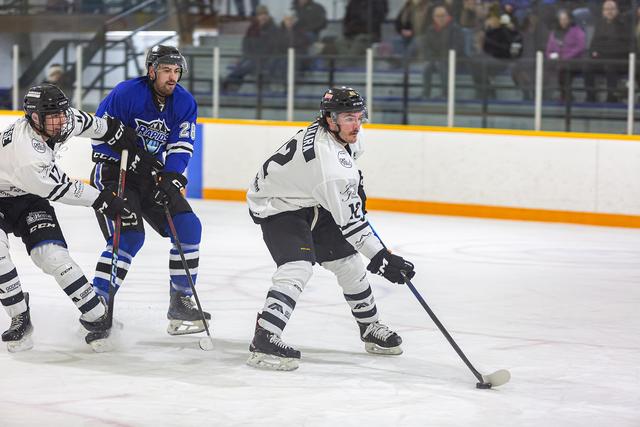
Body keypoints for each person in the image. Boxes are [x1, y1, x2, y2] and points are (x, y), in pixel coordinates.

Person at [246, 87, 416, 371]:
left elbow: (346, 174)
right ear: (329, 119)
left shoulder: (342, 138)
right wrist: (382, 259)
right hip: (277, 204)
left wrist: (353, 187)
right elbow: (352, 224)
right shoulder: (328, 165)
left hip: (310, 199)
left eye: (359, 117)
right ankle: (264, 338)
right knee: (297, 267)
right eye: (349, 118)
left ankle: (369, 327)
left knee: (348, 261)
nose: (356, 125)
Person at [0, 84, 134, 352]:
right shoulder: (27, 154)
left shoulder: (59, 119)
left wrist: (115, 132)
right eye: (54, 116)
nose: (61, 121)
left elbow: (88, 123)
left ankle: (97, 316)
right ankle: (19, 315)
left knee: (53, 257)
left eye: (62, 113)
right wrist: (103, 200)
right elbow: (61, 188)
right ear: (34, 118)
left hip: (29, 198)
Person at [89, 45, 210, 337]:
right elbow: (98, 136)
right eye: (167, 70)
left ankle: (180, 302)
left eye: (177, 71)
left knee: (189, 227)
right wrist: (125, 152)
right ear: (152, 70)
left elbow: (181, 144)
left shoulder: (184, 102)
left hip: (151, 177)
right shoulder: (126, 93)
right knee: (130, 236)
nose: (173, 77)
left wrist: (171, 176)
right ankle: (97, 304)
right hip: (115, 174)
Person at [584, 0, 631, 103]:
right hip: (602, 58)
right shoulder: (599, 25)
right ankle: (590, 97)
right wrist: (594, 53)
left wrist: (603, 51)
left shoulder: (624, 25)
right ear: (603, 12)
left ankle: (611, 98)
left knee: (610, 67)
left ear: (617, 10)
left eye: (612, 9)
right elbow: (593, 44)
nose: (609, 12)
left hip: (618, 60)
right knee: (587, 67)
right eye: (607, 9)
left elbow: (625, 46)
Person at [545, 9, 586, 101]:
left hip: (574, 62)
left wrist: (566, 57)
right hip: (557, 62)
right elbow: (549, 50)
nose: (563, 21)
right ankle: (561, 97)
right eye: (561, 19)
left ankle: (566, 98)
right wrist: (551, 56)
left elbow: (581, 47)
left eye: (565, 19)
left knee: (564, 72)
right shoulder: (554, 33)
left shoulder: (577, 30)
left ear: (570, 19)